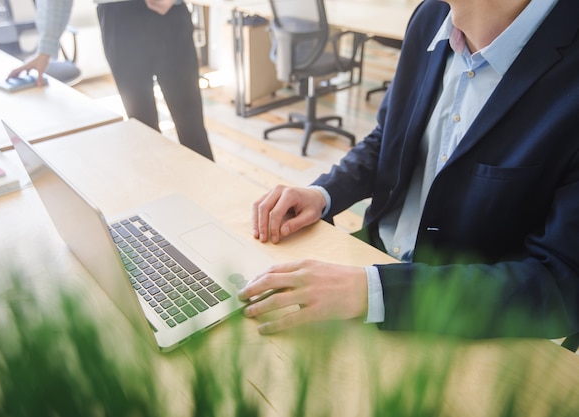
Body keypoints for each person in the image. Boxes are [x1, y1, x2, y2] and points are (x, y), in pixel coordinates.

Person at [239, 0, 579, 340]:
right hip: (368, 262)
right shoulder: (431, 16)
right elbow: (388, 137)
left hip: (464, 324)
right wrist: (323, 192)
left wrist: (375, 292)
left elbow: (563, 286)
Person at [9, 0, 214, 161]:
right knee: (142, 126)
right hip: (118, 19)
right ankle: (157, 202)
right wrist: (46, 47)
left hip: (170, 14)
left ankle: (214, 201)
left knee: (191, 124)